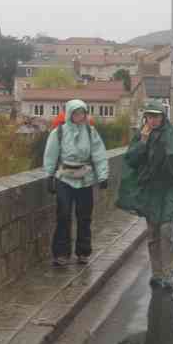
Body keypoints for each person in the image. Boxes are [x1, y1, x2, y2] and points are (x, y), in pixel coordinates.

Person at [116, 99, 173, 290]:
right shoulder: (142, 136)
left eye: (156, 116)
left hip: (171, 189)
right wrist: (143, 142)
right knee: (153, 234)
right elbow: (131, 160)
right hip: (151, 190)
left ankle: (168, 273)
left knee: (166, 231)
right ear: (145, 117)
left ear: (163, 117)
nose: (153, 120)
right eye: (149, 116)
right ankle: (157, 273)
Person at [43, 99, 109, 267]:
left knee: (84, 217)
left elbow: (99, 154)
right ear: (70, 114)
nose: (79, 116)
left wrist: (103, 176)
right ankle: (61, 254)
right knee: (63, 215)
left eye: (82, 113)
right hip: (64, 179)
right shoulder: (58, 132)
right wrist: (49, 176)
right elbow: (50, 155)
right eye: (76, 113)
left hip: (85, 179)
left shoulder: (90, 131)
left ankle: (83, 252)